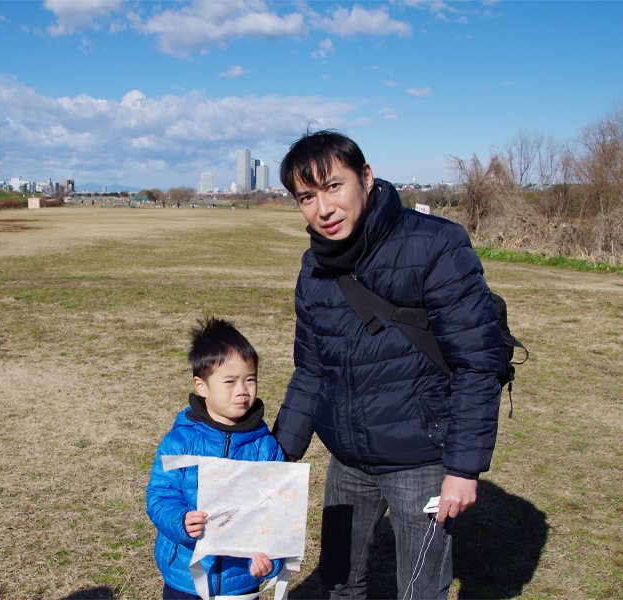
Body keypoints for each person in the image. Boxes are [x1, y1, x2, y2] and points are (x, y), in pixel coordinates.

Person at [272, 131, 506, 599]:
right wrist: (277, 457)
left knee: (420, 590)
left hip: (421, 459)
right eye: (307, 197)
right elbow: (310, 369)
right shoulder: (313, 267)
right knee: (337, 582)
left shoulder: (435, 244)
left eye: (333, 186)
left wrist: (462, 469)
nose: (323, 209)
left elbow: (478, 364)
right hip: (347, 460)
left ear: (366, 177)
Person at [146, 317, 285, 599]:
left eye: (250, 379)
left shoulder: (266, 447)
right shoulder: (180, 442)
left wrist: (271, 560)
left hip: (242, 579)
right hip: (186, 574)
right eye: (230, 381)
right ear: (202, 386)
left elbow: (279, 512)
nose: (242, 390)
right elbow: (160, 494)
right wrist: (181, 521)